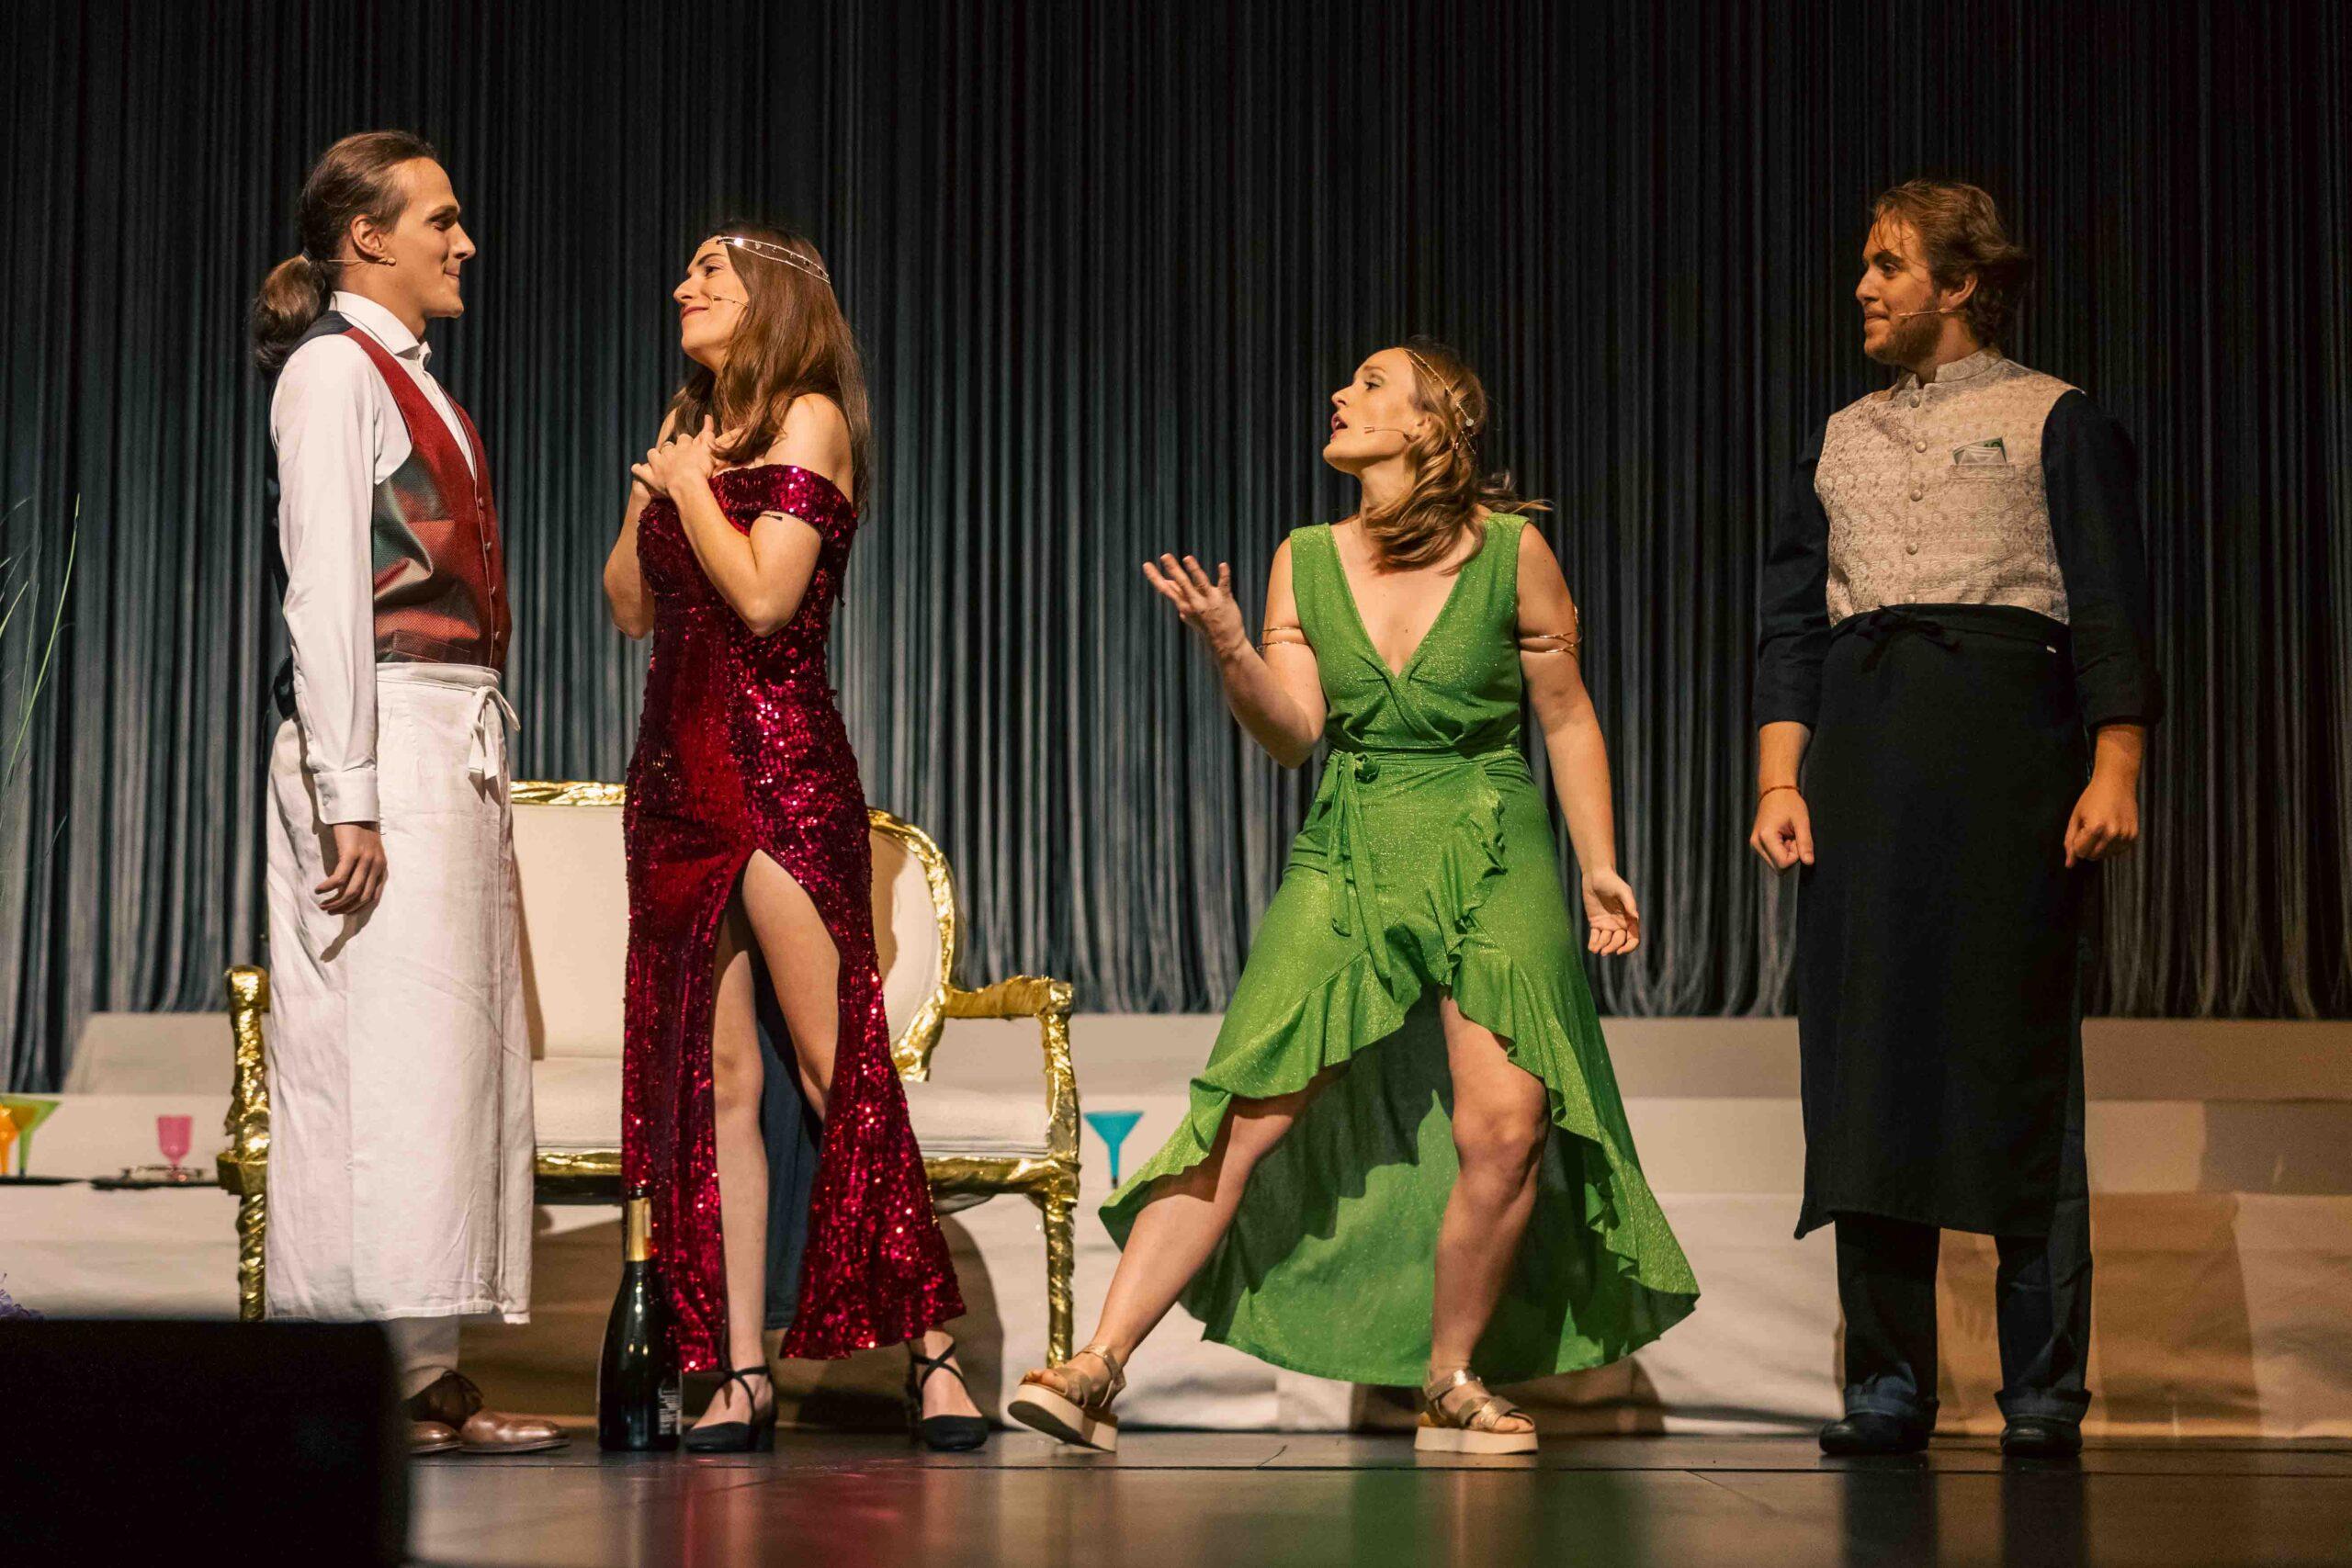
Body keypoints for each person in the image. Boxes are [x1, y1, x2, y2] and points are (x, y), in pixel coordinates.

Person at [1010, 338, 1699, 1454]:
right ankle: (1095, 1367)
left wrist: (1598, 859)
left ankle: (1450, 1380)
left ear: (1431, 425)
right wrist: (1230, 647)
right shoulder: (1304, 558)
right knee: (1245, 1109)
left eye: (1372, 382)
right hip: (1351, 842)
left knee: (1506, 1128)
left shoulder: (1512, 553)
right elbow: (1293, 734)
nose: (1340, 393)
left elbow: (1567, 714)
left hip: (1491, 837)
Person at [1751, 180, 2160, 1459]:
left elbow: (2109, 605)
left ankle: (2041, 1384)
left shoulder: (2055, 417)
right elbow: (1789, 625)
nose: (1863, 287)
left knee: (2013, 1054)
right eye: (1865, 265)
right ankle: (1887, 1381)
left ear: (1962, 282)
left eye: (1888, 265)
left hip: (2009, 758)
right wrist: (1779, 779)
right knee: (1868, 1058)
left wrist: (2115, 762)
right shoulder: (1837, 435)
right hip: (1865, 763)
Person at [603, 223, 980, 1453]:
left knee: (834, 1063)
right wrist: (654, 493)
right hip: (674, 783)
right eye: (686, 270)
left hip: (776, 771)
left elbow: (766, 600)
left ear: (769, 295)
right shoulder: (690, 427)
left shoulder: (809, 419)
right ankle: (735, 1369)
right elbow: (628, 606)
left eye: (709, 272)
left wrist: (690, 492)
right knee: (717, 1081)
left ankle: (934, 1352)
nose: (684, 286)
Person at [251, 130, 556, 1456]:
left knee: (438, 1067)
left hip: (444, 738)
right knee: (369, 1066)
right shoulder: (332, 370)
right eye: (440, 218)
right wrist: (350, 791)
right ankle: (350, 1383)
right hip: (379, 733)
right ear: (367, 237)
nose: (464, 241)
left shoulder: (404, 376)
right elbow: (325, 589)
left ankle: (425, 1379)